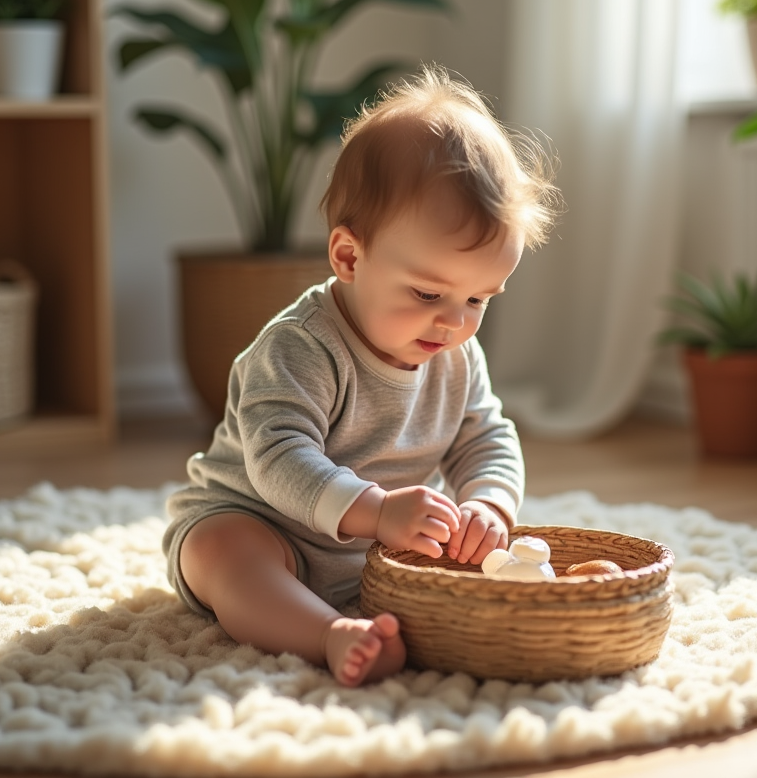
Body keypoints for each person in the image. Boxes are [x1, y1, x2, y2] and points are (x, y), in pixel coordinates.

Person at [163, 64, 561, 687]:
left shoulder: (456, 356)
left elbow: (486, 437)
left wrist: (490, 502)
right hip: (262, 522)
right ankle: (326, 633)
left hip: (372, 551)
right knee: (225, 554)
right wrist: (375, 511)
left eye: (480, 299)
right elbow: (278, 457)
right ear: (349, 256)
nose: (455, 322)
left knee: (453, 577)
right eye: (429, 292)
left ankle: (366, 611)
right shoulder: (300, 346)